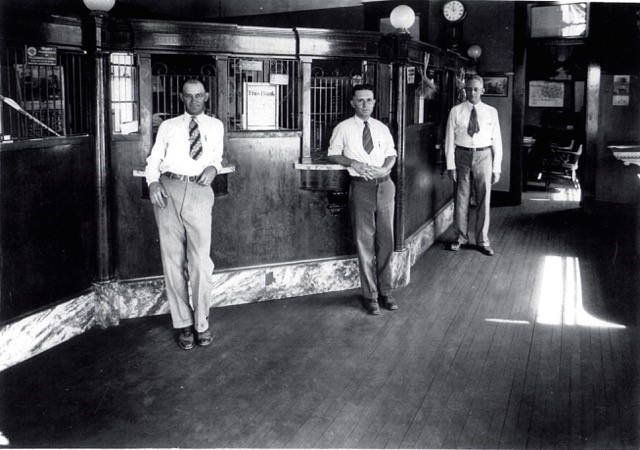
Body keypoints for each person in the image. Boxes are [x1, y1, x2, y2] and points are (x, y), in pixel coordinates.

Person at [145, 79, 224, 350]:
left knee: (201, 261)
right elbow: (154, 159)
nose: (194, 101)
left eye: (199, 96)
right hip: (168, 190)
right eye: (189, 96)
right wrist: (153, 182)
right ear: (182, 97)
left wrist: (214, 167)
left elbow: (216, 156)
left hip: (200, 191)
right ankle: (183, 324)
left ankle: (201, 321)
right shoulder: (168, 126)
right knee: (172, 261)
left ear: (207, 97)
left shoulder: (215, 126)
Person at [327, 83, 398, 315]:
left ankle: (386, 292)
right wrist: (353, 163)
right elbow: (333, 154)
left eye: (369, 100)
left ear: (374, 102)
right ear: (352, 103)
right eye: (360, 100)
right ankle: (371, 296)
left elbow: (391, 154)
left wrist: (385, 168)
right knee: (364, 242)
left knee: (387, 241)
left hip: (385, 186)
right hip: (361, 188)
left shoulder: (381, 128)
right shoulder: (343, 128)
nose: (365, 104)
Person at [444, 75, 502, 256]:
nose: (472, 92)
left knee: (484, 199)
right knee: (461, 198)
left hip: (484, 156)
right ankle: (461, 237)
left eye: (476, 89)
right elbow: (449, 140)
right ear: (464, 90)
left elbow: (497, 141)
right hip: (462, 155)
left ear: (482, 90)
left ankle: (482, 240)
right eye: (469, 89)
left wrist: (496, 167)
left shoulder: (491, 111)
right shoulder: (456, 111)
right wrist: (450, 165)